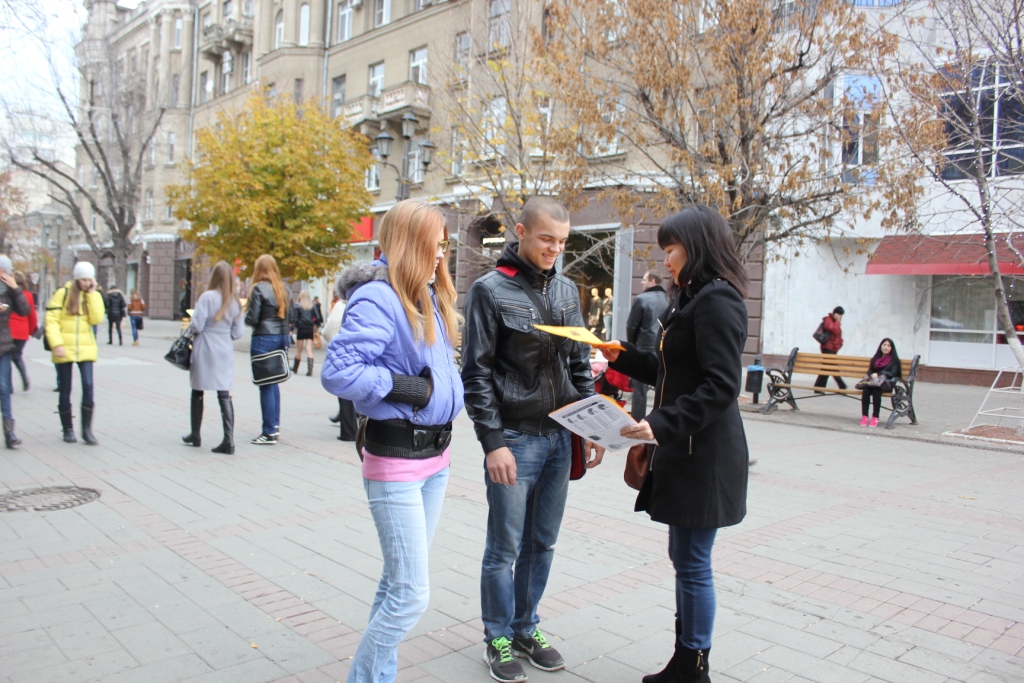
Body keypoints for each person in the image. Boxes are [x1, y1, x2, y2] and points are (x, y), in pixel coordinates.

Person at [603, 205, 750, 683]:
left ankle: (694, 666)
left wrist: (661, 424)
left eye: (671, 249)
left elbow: (721, 385)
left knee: (693, 563)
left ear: (696, 246)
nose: (666, 260)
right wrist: (622, 355)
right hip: (684, 452)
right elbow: (673, 369)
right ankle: (684, 660)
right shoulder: (691, 297)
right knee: (683, 559)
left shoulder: (718, 300)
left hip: (702, 455)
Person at [461, 196, 604, 683]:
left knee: (542, 543)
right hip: (516, 440)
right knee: (504, 547)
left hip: (561, 437)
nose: (555, 250)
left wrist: (593, 425)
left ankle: (527, 627)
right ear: (520, 232)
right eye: (547, 239)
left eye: (562, 242)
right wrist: (492, 442)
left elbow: (580, 362)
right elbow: (476, 373)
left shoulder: (566, 290)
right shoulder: (489, 291)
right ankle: (498, 637)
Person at [321, 199, 464, 683]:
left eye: (444, 243)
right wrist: (406, 388)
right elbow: (339, 372)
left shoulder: (425, 293)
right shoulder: (380, 297)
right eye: (434, 243)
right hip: (399, 460)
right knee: (410, 594)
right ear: (409, 243)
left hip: (435, 458)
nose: (442, 253)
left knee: (396, 581)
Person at [182, 261, 245, 454]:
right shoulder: (235, 302)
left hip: (205, 346)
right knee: (224, 393)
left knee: (198, 389)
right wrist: (224, 334)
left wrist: (192, 331)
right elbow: (238, 332)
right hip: (224, 348)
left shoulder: (207, 297)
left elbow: (197, 324)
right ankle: (229, 439)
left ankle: (195, 434)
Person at [45, 261, 106, 445]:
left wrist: (92, 295)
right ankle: (68, 429)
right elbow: (52, 320)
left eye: (90, 279)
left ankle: (87, 429)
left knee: (88, 386)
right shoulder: (62, 294)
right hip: (64, 347)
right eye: (84, 280)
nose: (87, 283)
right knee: (65, 388)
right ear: (78, 278)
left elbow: (97, 319)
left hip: (85, 348)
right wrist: (57, 343)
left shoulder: (91, 295)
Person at [244, 254, 292, 445]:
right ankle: (275, 425)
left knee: (265, 383)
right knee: (274, 381)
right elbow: (292, 316)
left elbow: (253, 319)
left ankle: (269, 431)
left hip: (263, 337)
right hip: (281, 337)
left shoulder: (258, 289)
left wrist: (245, 317)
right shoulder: (285, 289)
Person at [626, 271, 669, 421]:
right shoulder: (670, 299)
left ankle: (638, 422)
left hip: (644, 348)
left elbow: (632, 326)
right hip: (665, 349)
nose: (641, 283)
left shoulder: (641, 299)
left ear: (652, 281)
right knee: (664, 389)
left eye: (644, 280)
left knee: (640, 391)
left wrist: (631, 347)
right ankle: (662, 421)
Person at [0, 259, 31, 447]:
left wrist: (15, 288)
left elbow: (25, 310)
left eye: (4, 272)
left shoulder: (8, 291)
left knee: (3, 387)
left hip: (4, 345)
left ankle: (9, 432)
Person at [323, 288, 357, 441]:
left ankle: (348, 431)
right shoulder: (367, 300)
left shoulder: (341, 305)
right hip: (362, 353)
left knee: (344, 391)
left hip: (344, 351)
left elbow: (329, 329)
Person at [859, 338, 901, 427]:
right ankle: (865, 416)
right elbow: (870, 371)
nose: (886, 347)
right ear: (881, 346)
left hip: (886, 384)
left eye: (888, 346)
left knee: (876, 391)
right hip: (874, 383)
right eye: (884, 345)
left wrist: (879, 374)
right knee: (866, 390)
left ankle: (875, 417)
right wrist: (872, 374)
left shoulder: (894, 360)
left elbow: (893, 373)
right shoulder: (875, 358)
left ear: (891, 348)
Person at [8, 270, 37, 392]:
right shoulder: (28, 295)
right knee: (17, 356)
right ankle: (25, 378)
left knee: (6, 358)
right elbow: (32, 315)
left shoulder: (7, 295)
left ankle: (8, 385)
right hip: (22, 331)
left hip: (9, 329)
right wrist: (31, 330)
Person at [814, 306, 846, 390]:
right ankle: (842, 386)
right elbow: (833, 329)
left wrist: (840, 343)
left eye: (841, 315)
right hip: (827, 348)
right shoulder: (828, 320)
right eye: (839, 314)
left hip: (833, 348)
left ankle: (818, 387)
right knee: (831, 367)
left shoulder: (835, 322)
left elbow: (838, 334)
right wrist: (837, 322)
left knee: (827, 367)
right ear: (834, 313)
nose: (840, 316)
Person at [291, 290, 317, 377]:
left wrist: (292, 328)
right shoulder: (312, 306)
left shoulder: (297, 305)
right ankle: (310, 370)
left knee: (299, 350)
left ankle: (295, 368)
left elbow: (295, 318)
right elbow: (318, 317)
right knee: (309, 349)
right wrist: (315, 325)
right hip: (310, 328)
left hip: (301, 328)